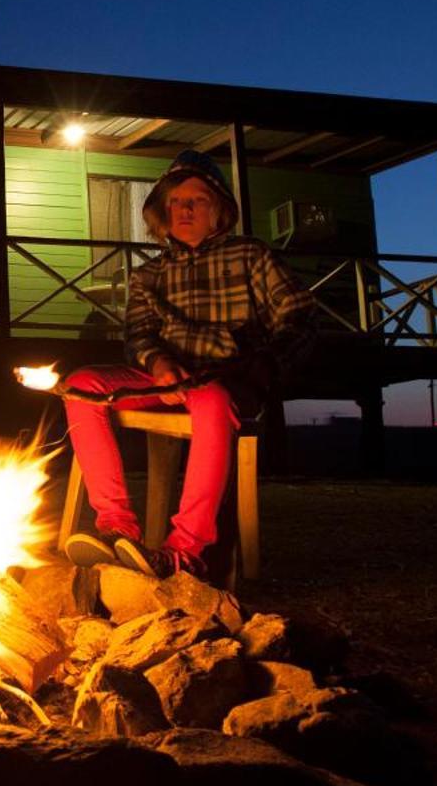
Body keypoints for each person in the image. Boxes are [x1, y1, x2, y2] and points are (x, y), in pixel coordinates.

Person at [61, 150, 316, 578]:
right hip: (163, 379)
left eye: (197, 200)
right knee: (81, 384)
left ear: (218, 210)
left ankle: (183, 551)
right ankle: (117, 528)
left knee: (213, 399)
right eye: (176, 201)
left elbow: (300, 315)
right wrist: (157, 360)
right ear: (163, 210)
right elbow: (137, 336)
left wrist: (265, 366)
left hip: (223, 376)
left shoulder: (250, 257)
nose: (185, 209)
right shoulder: (150, 275)